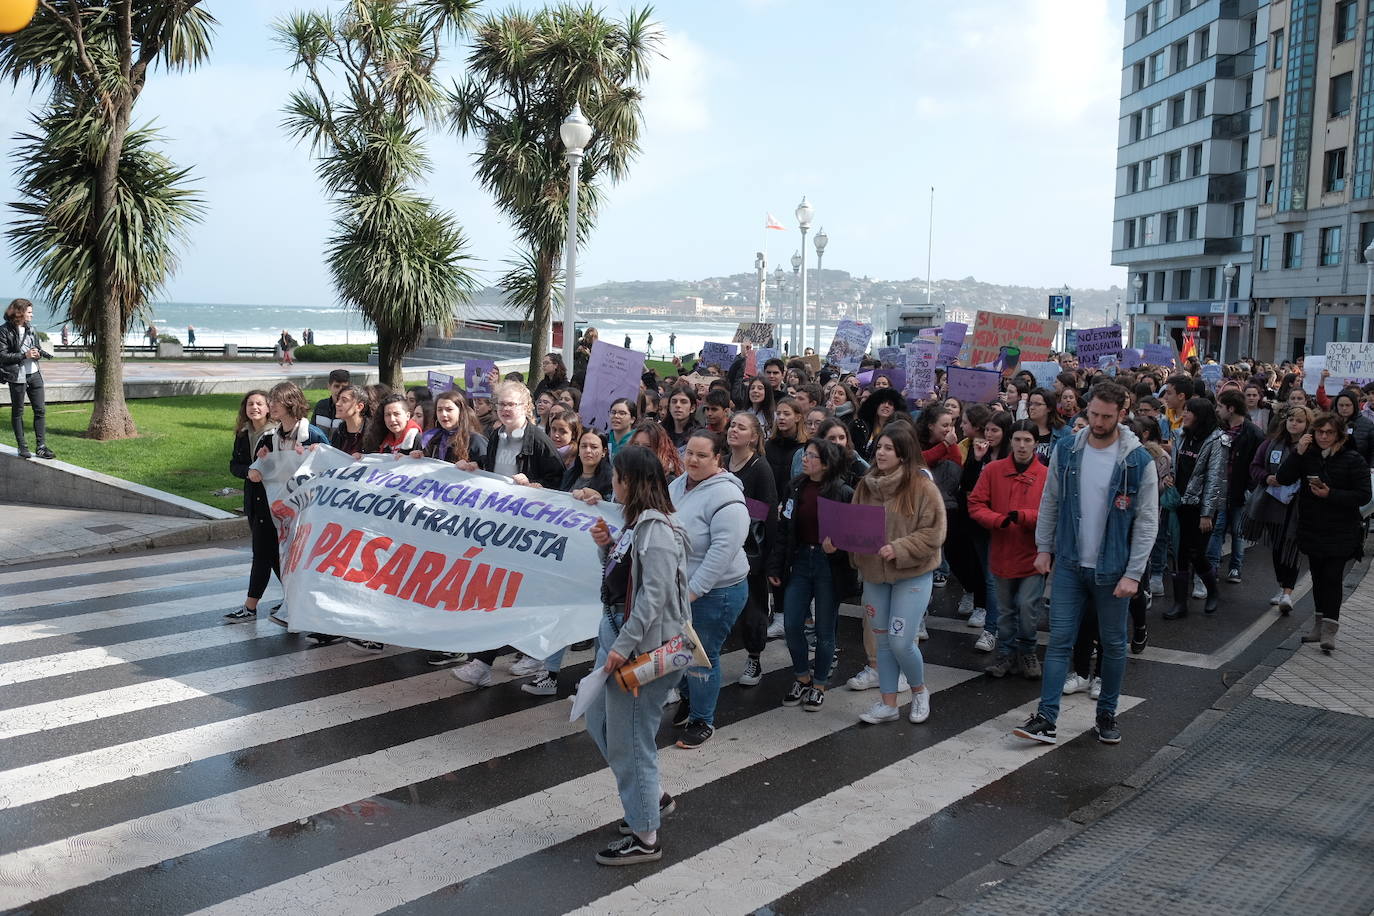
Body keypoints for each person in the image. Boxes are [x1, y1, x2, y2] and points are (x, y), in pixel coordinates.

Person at [1014, 381, 1158, 746]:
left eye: (1106, 416)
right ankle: (1046, 717)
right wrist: (1043, 548)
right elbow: (1051, 501)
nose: (1097, 421)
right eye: (1092, 413)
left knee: (1113, 644)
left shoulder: (1138, 461)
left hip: (1113, 570)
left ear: (1121, 415)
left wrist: (1134, 574)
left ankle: (1106, 714)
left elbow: (1146, 522)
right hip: (1069, 563)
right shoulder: (1067, 450)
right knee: (1060, 640)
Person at [585, 445, 693, 866]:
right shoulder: (635, 524)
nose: (611, 483)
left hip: (642, 648)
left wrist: (621, 648)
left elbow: (654, 597)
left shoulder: (657, 528)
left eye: (616, 476)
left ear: (630, 481)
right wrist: (606, 545)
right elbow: (623, 575)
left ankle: (645, 835)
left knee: (630, 741)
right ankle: (652, 800)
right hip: (619, 634)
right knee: (601, 722)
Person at [852, 424, 946, 725]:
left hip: (912, 574)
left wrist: (901, 547)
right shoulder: (865, 485)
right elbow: (853, 526)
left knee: (901, 640)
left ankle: (919, 691)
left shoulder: (922, 486)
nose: (880, 452)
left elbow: (935, 532)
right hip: (874, 574)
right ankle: (888, 704)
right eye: (879, 446)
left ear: (903, 454)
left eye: (888, 448)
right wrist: (837, 540)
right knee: (882, 641)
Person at [665, 430, 750, 749]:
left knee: (701, 655)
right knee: (682, 651)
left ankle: (703, 720)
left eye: (702, 455)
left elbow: (721, 553)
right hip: (681, 588)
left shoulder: (727, 498)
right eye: (689, 453)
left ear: (718, 459)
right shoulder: (677, 484)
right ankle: (690, 700)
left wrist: (692, 592)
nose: (693, 460)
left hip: (717, 592)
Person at [1275, 412, 1372, 653]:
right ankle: (1318, 625)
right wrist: (1298, 453)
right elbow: (1283, 477)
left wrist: (1331, 494)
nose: (1324, 437)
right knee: (1317, 578)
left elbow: (1363, 495)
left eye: (1329, 432)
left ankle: (1330, 628)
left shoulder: (1353, 459)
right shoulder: (1308, 456)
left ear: (1339, 434)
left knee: (1332, 577)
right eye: (1320, 432)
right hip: (1312, 527)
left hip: (1342, 530)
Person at [769, 438, 853, 711]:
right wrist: (776, 566)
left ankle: (819, 684)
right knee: (792, 624)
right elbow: (784, 529)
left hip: (828, 565)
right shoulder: (795, 487)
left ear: (826, 464)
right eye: (805, 455)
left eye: (812, 456)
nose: (805, 460)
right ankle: (802, 676)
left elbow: (852, 537)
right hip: (801, 561)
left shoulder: (842, 492)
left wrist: (837, 549)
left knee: (824, 628)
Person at [969, 419, 1048, 679]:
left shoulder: (1046, 475)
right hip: (1002, 551)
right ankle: (1006, 653)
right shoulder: (993, 470)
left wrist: (1025, 517)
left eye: (1027, 440)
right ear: (1010, 441)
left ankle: (1027, 650)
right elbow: (976, 504)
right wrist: (997, 520)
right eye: (1017, 440)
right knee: (1004, 611)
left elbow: (1052, 513)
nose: (1022, 446)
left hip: (1033, 555)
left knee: (1027, 607)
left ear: (1036, 443)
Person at [726, 411, 779, 687]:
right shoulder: (722, 463)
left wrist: (769, 560)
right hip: (723, 546)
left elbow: (768, 515)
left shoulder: (760, 468)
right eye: (732, 425)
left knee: (753, 605)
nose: (734, 430)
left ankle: (754, 658)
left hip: (751, 550)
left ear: (754, 437)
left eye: (741, 427)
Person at [1163, 397, 1226, 619]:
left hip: (1201, 506)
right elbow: (1175, 464)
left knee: (1196, 552)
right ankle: (1180, 604)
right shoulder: (1180, 435)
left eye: (1189, 411)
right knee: (1179, 552)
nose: (1185, 414)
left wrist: (1207, 513)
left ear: (1200, 416)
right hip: (1180, 502)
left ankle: (1213, 591)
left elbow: (1215, 479)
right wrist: (1170, 477)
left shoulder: (1217, 440)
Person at [1247, 405, 1311, 615]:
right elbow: (1255, 466)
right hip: (1274, 504)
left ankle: (1287, 592)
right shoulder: (1271, 444)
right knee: (1277, 547)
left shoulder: (1312, 449)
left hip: (1298, 506)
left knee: (1291, 546)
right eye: (1291, 419)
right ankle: (1281, 583)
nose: (1294, 424)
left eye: (1300, 421)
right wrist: (1266, 477)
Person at [225, 390, 279, 623]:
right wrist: (248, 472)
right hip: (253, 502)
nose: (254, 407)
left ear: (268, 408)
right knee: (272, 555)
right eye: (250, 404)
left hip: (273, 501)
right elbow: (234, 465)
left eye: (259, 403)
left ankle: (250, 607)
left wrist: (262, 472)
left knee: (263, 554)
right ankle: (295, 600)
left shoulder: (276, 433)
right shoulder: (243, 433)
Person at [1209, 389, 1264, 583]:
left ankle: (1235, 568)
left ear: (1231, 409)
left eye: (1220, 406)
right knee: (1217, 528)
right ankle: (1213, 566)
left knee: (1238, 530)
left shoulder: (1253, 433)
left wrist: (1250, 487)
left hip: (1240, 489)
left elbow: (1259, 462)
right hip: (1219, 489)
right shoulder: (1218, 429)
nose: (1218, 410)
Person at [0, 299, 55, 459]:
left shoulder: (32, 329)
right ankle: (22, 446)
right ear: (20, 313)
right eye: (29, 312)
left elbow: (36, 348)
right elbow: (2, 356)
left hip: (35, 374)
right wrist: (24, 355)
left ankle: (41, 447)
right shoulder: (4, 331)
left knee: (40, 410)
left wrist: (37, 354)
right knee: (18, 412)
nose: (32, 315)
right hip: (17, 376)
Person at [329, 384, 371, 457]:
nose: (337, 404)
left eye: (344, 400)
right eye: (338, 399)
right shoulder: (338, 432)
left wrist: (365, 458)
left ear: (359, 407)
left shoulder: (373, 433)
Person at [311, 368, 352, 434]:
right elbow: (312, 431)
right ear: (329, 386)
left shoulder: (351, 410)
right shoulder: (320, 406)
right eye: (336, 386)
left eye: (344, 387)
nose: (340, 390)